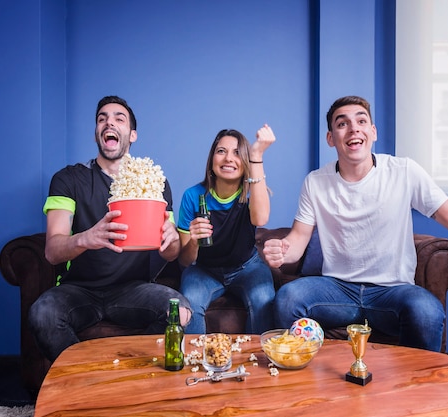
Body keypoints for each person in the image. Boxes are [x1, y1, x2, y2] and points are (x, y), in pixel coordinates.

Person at [262, 96, 448, 351]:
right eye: (342, 124)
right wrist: (282, 249)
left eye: (361, 121)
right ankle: (307, 380)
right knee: (288, 299)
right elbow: (298, 239)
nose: (354, 128)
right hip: (336, 289)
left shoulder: (404, 171)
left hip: (393, 290)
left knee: (426, 311)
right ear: (331, 138)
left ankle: (414, 387)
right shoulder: (315, 182)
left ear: (372, 132)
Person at [28, 95, 191, 362]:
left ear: (132, 135)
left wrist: (172, 239)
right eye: (101, 119)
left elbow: (170, 253)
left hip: (133, 289)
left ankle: (127, 372)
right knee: (42, 313)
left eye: (119, 118)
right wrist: (86, 238)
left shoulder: (154, 183)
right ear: (96, 135)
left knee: (180, 311)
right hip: (78, 289)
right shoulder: (69, 179)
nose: (108, 123)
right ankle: (84, 382)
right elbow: (52, 252)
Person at [177, 126, 277, 334]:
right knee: (190, 303)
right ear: (212, 160)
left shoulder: (252, 194)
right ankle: (196, 362)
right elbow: (184, 261)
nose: (228, 158)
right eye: (221, 151)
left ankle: (257, 363)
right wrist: (194, 241)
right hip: (204, 270)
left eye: (237, 153)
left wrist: (256, 155)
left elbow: (261, 218)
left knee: (263, 299)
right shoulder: (193, 196)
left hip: (248, 267)